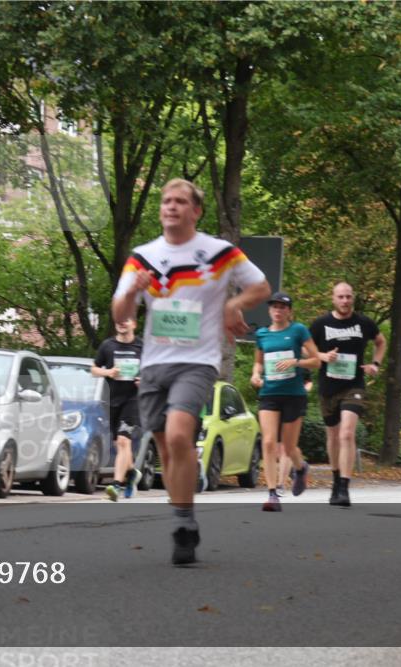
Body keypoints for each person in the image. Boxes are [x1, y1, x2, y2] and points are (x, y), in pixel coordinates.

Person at [112, 178, 269, 565]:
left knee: (182, 436)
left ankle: (182, 526)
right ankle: (185, 518)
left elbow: (261, 287)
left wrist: (234, 306)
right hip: (153, 364)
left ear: (195, 211)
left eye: (180, 201)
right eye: (166, 201)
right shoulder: (142, 257)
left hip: (198, 362)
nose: (171, 207)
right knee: (167, 448)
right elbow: (121, 315)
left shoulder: (219, 253)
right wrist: (134, 291)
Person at [309, 282, 386, 507]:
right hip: (328, 387)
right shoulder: (321, 324)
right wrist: (322, 356)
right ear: (333, 299)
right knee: (333, 436)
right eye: (340, 297)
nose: (344, 301)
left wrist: (375, 364)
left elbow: (380, 342)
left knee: (346, 434)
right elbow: (306, 348)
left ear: (353, 299)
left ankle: (344, 486)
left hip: (354, 385)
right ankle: (335, 479)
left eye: (348, 297)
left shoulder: (364, 323)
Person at [250, 292, 321, 511]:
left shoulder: (298, 330)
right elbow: (258, 363)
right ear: (270, 310)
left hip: (294, 394)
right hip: (269, 394)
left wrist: (296, 361)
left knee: (289, 447)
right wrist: (255, 375)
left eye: (283, 307)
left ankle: (300, 468)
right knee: (269, 442)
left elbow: (317, 361)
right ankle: (272, 494)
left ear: (289, 311)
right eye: (274, 307)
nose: (278, 310)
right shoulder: (262, 334)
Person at [91, 318, 143, 501]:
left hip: (133, 399)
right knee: (119, 444)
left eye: (126, 319)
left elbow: (153, 372)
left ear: (134, 324)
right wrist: (108, 372)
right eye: (120, 320)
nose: (122, 323)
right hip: (112, 400)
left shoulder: (141, 347)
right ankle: (131, 474)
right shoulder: (108, 346)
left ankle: (116, 485)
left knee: (123, 441)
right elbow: (94, 369)